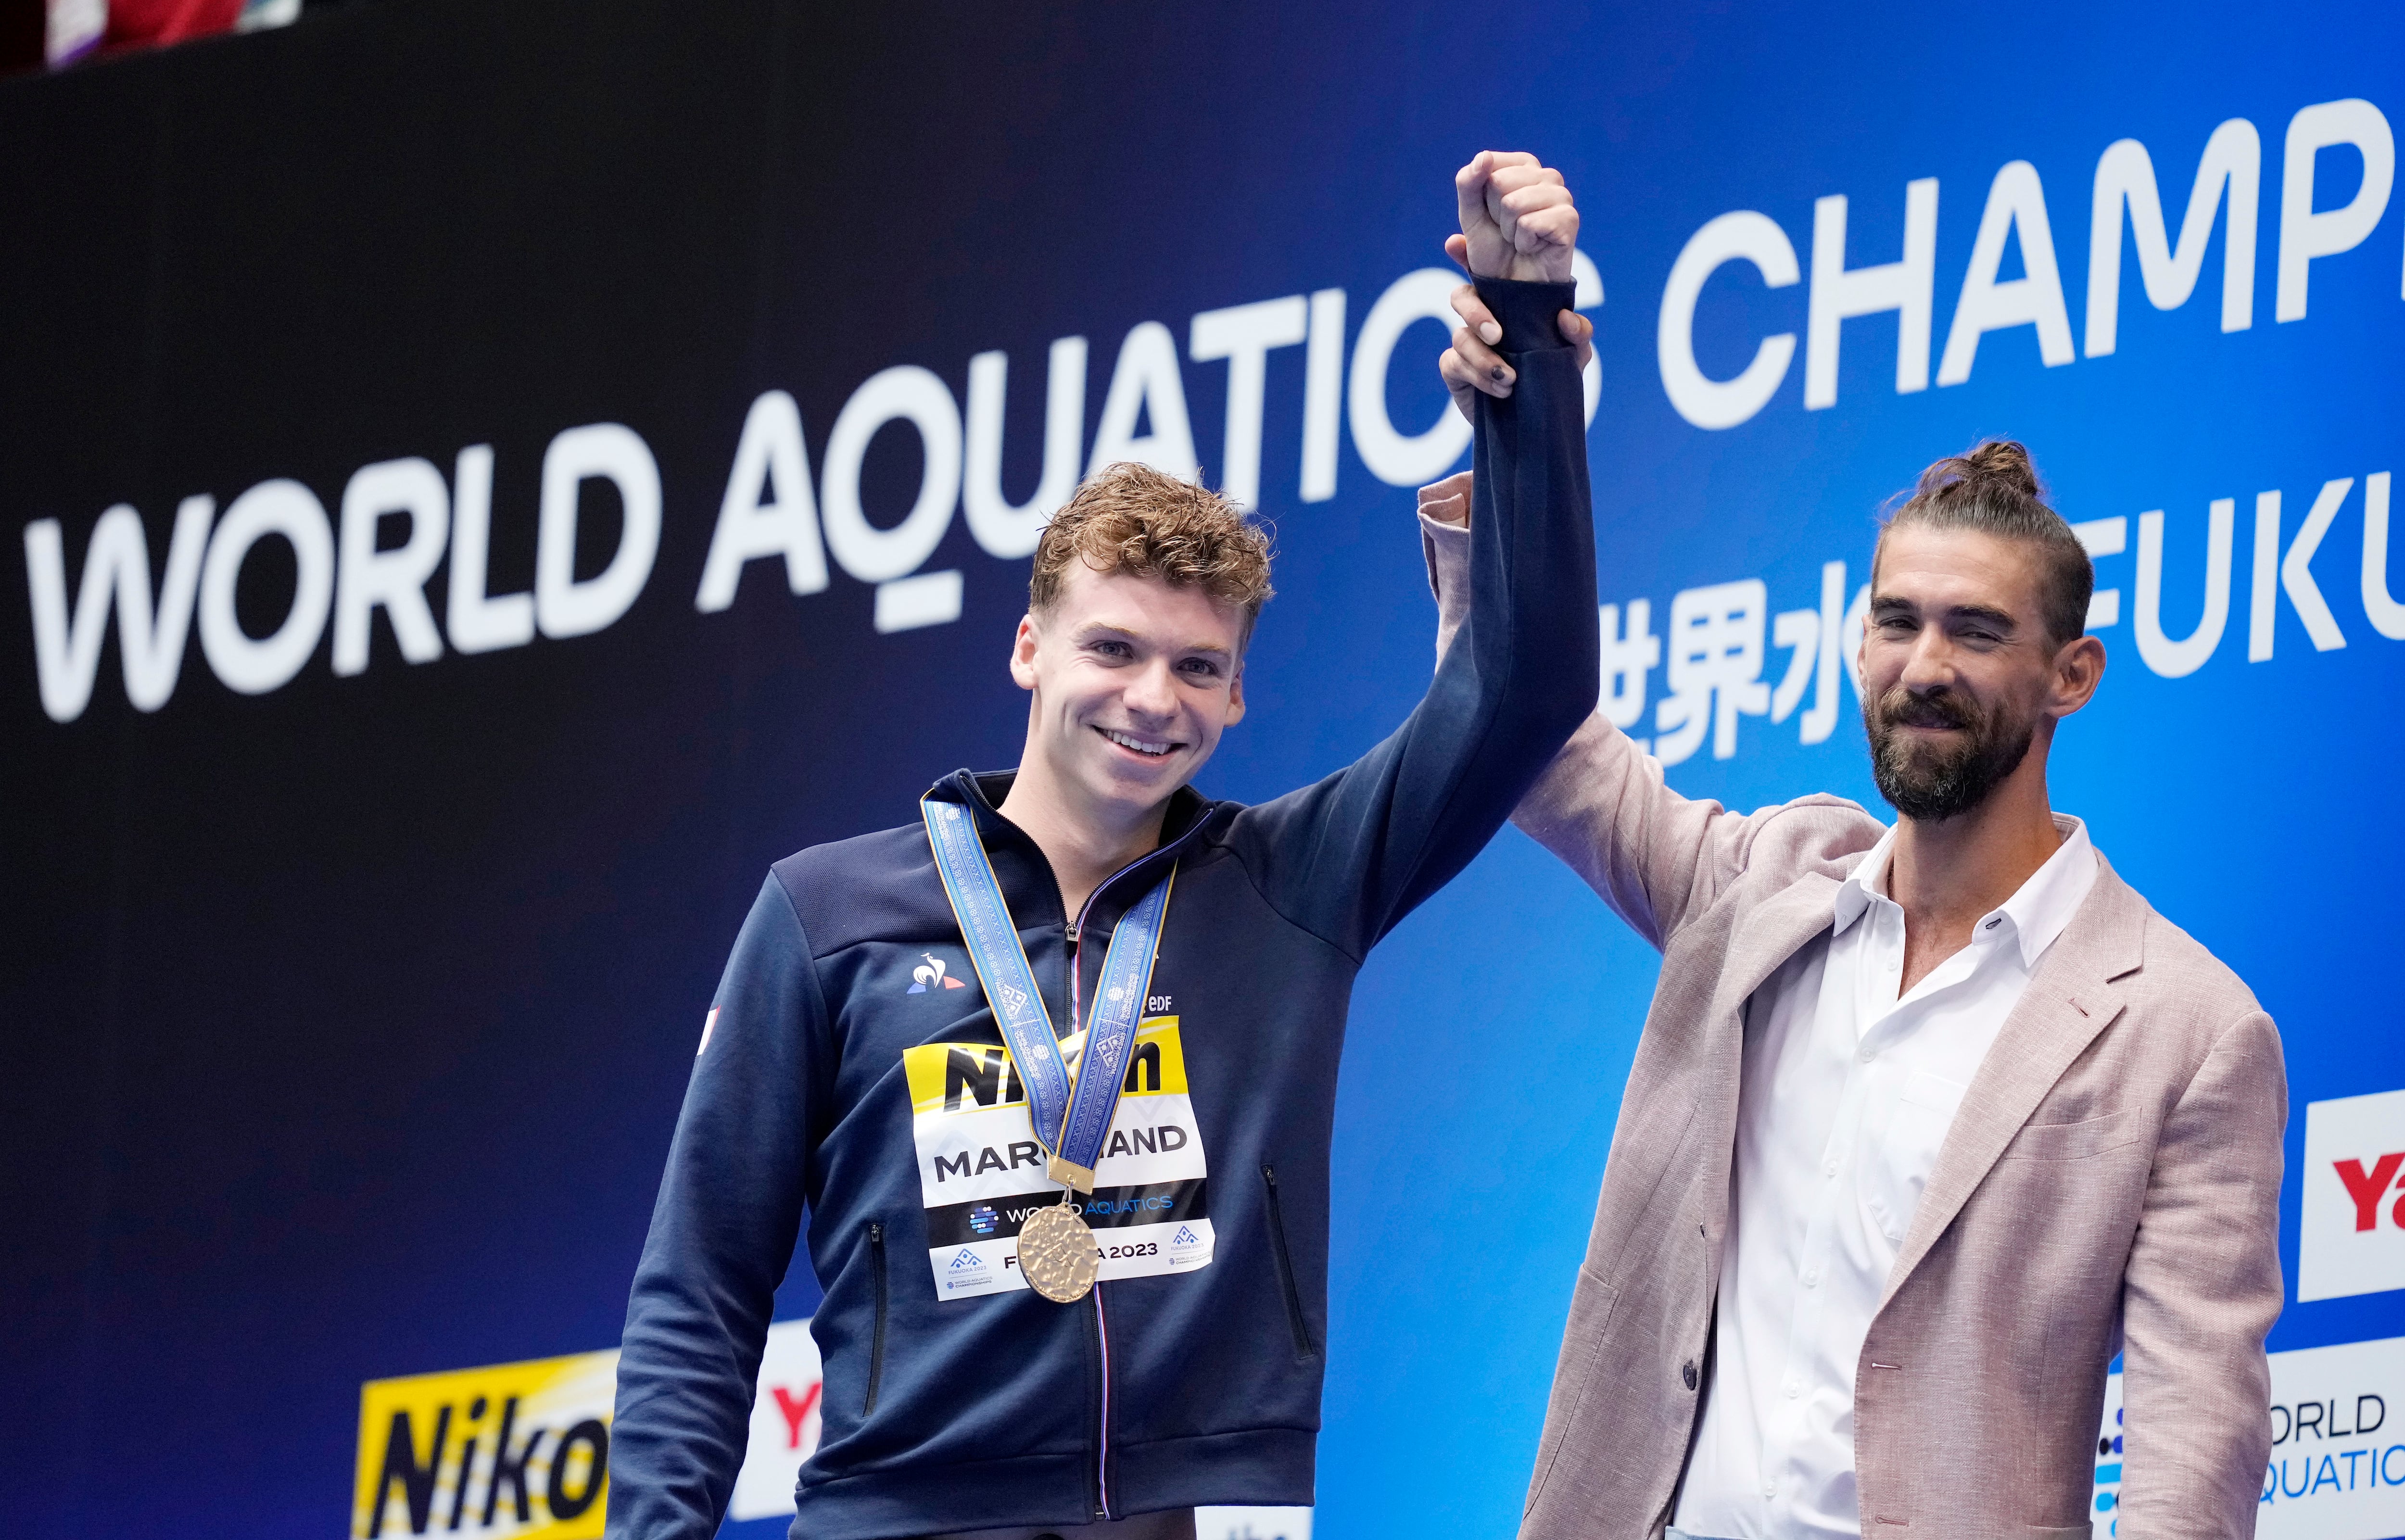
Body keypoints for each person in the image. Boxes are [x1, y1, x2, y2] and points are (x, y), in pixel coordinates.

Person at [605, 151, 1601, 1540]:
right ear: (1029, 646)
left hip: (1204, 1510)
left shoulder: (1292, 881)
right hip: (904, 1514)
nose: (1152, 697)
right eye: (1114, 648)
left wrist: (1533, 352)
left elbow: (1530, 684)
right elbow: (702, 1288)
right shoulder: (828, 912)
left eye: (1199, 666)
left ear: (1241, 692)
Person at [1424, 323, 2285, 1540]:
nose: (1923, 665)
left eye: (1976, 631)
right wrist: (1512, 447)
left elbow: (2194, 1454)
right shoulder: (1763, 882)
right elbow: (1532, 743)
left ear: (2071, 673)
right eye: (1896, 621)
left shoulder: (2185, 1028)